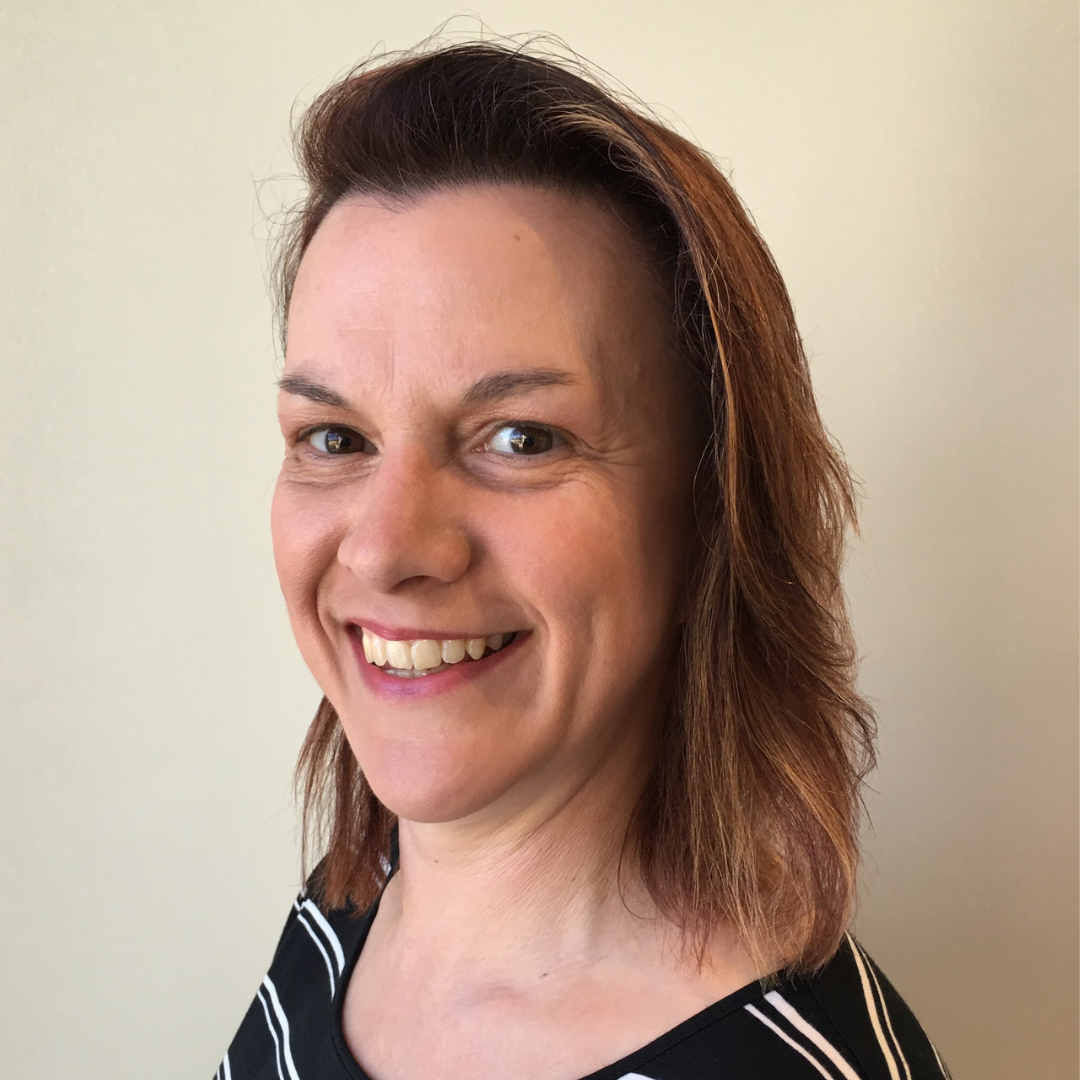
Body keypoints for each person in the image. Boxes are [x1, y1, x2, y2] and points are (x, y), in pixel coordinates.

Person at [218, 39, 952, 1080]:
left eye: (521, 437)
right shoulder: (348, 906)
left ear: (710, 509)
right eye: (335, 438)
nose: (384, 550)